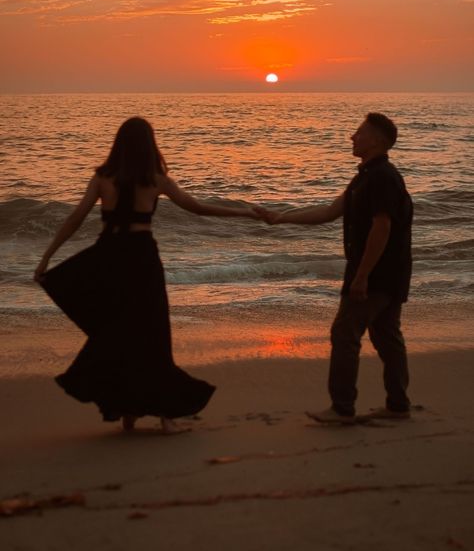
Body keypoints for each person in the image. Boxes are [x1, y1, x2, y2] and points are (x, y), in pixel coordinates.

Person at [35, 116, 259, 434]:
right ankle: (165, 417)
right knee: (153, 334)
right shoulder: (157, 179)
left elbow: (75, 218)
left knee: (119, 331)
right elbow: (196, 207)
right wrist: (245, 211)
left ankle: (128, 412)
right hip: (141, 259)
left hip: (109, 257)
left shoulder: (102, 177)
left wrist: (46, 258)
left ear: (119, 144)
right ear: (149, 145)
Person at [256, 113, 413, 424]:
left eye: (359, 133)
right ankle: (398, 405)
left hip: (377, 274)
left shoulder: (382, 177)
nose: (352, 137)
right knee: (386, 336)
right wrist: (281, 217)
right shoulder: (365, 177)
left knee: (345, 334)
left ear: (377, 141)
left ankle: (342, 408)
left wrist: (362, 276)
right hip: (390, 273)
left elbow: (381, 228)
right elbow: (329, 212)